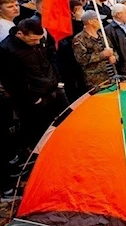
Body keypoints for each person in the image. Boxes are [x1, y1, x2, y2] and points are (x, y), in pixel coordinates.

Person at [0, 19, 68, 149]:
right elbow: (12, 81)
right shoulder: (6, 49)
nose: (37, 43)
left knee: (63, 123)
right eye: (33, 40)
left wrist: (58, 81)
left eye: (39, 39)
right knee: (41, 133)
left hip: (55, 90)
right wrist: (34, 99)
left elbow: (50, 60)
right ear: (20, 34)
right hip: (35, 100)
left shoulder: (39, 40)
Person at [72, 11, 116, 89]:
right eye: (98, 19)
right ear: (90, 21)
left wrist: (114, 57)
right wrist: (102, 54)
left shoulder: (102, 35)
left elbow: (112, 49)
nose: (101, 22)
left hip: (112, 76)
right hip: (96, 81)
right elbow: (82, 59)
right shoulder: (79, 39)